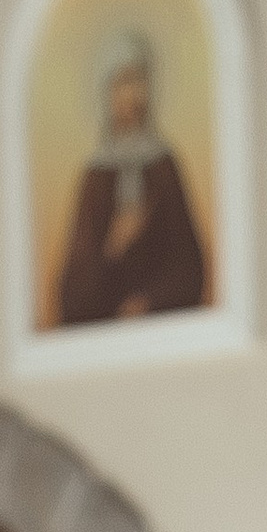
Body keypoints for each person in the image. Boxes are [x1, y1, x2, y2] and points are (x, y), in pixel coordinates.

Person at [50, 30, 208, 326]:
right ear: (106, 92)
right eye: (124, 82)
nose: (135, 94)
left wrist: (149, 302)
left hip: (161, 323)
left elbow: (190, 267)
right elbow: (72, 295)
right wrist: (112, 246)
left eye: (140, 80)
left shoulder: (164, 165)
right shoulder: (95, 176)